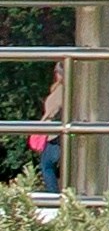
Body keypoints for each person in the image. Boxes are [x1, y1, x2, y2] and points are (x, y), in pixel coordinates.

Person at [28, 60, 64, 194]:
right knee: (49, 165)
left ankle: (54, 195)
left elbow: (54, 109)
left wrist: (43, 121)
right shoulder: (59, 89)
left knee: (47, 165)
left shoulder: (61, 90)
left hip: (54, 134)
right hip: (53, 133)